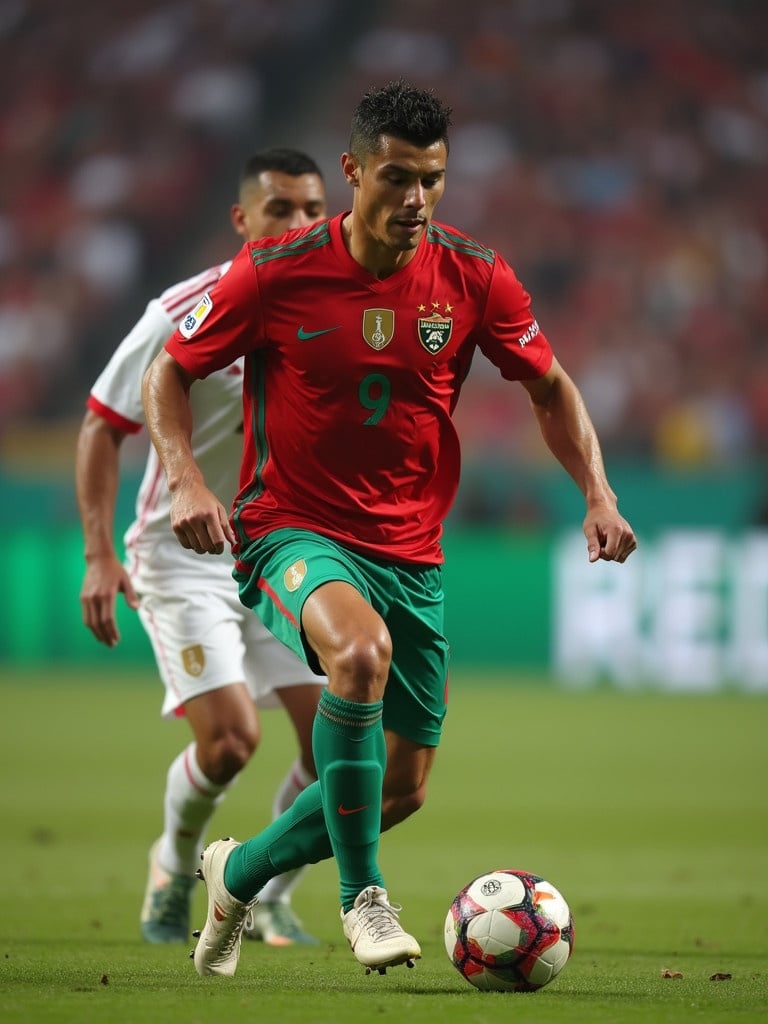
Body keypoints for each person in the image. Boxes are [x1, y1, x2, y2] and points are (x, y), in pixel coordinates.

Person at [141, 81, 637, 978]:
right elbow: (167, 373)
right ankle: (364, 901)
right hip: (290, 528)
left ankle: (238, 871)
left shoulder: (475, 275)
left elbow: (550, 385)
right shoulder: (277, 271)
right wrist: (184, 479)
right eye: (398, 178)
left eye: (433, 180)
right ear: (355, 169)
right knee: (357, 657)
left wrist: (597, 494)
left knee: (399, 790)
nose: (415, 201)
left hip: (410, 548)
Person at [76, 148, 330, 948]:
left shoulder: (336, 311)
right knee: (230, 743)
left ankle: (263, 890)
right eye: (281, 209)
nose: (298, 225)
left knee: (342, 746)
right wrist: (96, 553)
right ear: (242, 220)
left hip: (282, 550)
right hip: (182, 552)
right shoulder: (183, 308)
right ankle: (172, 864)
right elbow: (100, 426)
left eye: (313, 210)